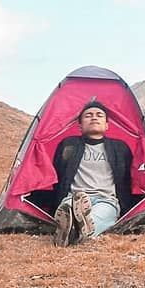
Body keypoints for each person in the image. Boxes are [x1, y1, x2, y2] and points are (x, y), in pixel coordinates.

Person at [51, 102, 133, 246]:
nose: (94, 118)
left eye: (99, 115)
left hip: (106, 200)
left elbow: (128, 178)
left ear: (107, 125)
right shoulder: (69, 144)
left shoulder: (120, 148)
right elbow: (58, 173)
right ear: (80, 125)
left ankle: (70, 233)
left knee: (96, 217)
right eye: (88, 115)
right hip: (75, 198)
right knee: (69, 210)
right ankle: (76, 230)